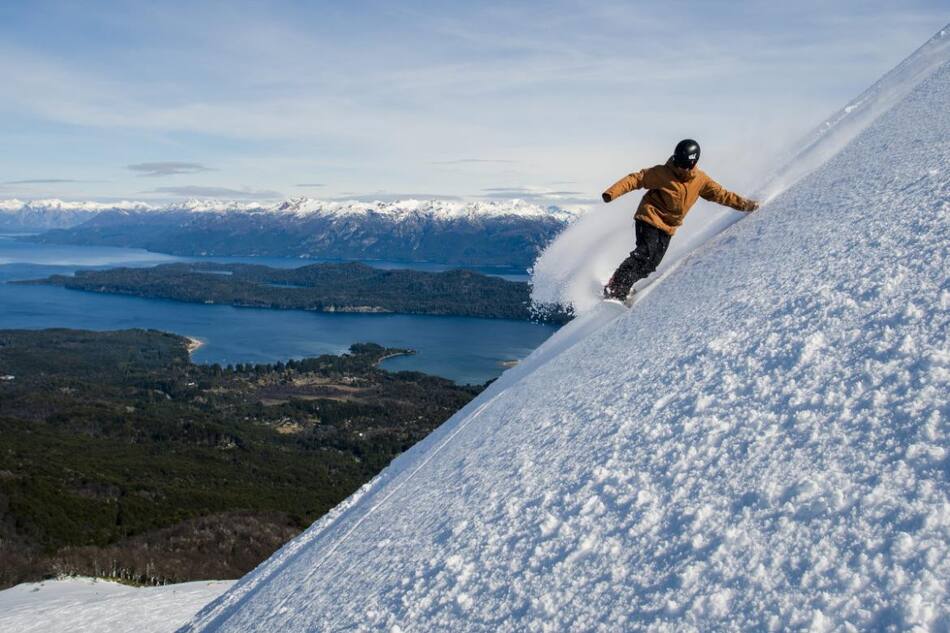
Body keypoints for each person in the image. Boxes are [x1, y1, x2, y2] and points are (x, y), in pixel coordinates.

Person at [601, 139, 759, 301]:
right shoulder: (662, 173)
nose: (678, 167)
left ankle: (625, 284)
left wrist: (746, 205)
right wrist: (611, 193)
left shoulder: (701, 181)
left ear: (692, 163)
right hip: (649, 216)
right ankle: (615, 288)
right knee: (645, 253)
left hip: (668, 227)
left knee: (651, 264)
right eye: (677, 162)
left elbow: (722, 195)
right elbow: (636, 179)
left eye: (683, 164)